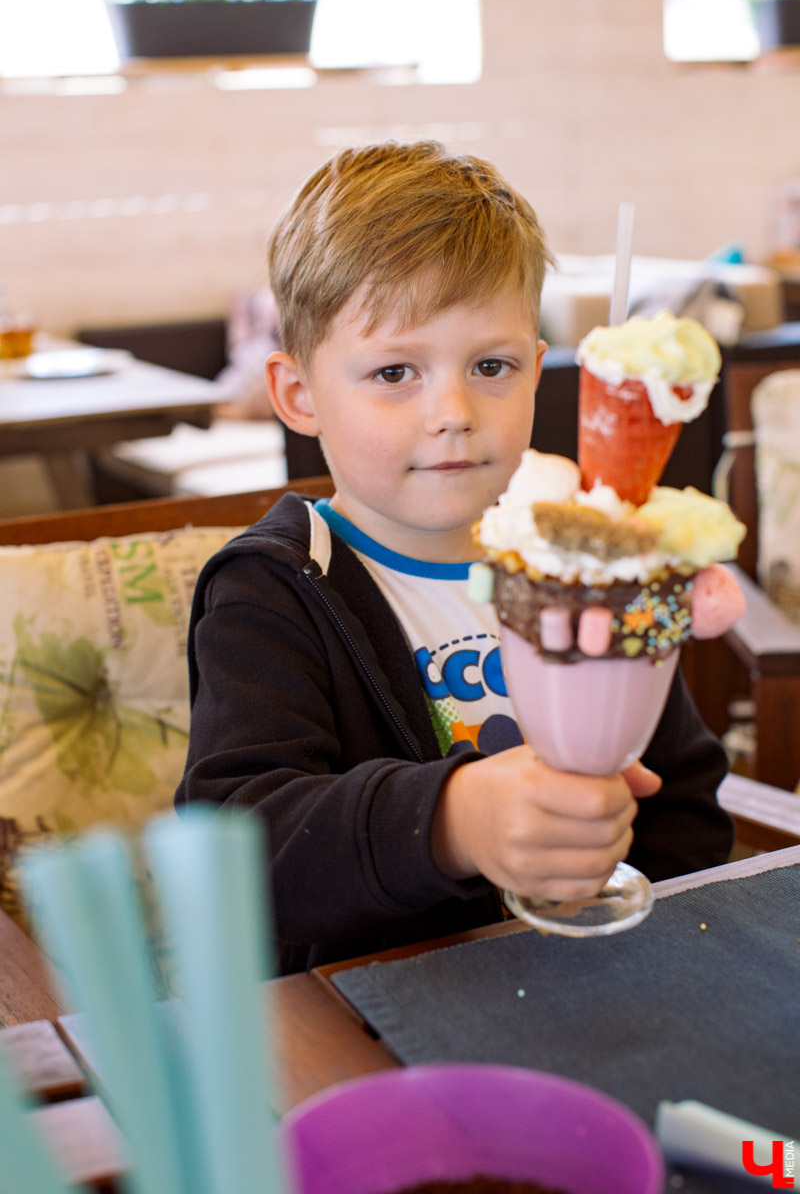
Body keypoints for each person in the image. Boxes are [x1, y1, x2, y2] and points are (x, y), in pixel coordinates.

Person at [175, 140, 732, 974]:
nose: (454, 411)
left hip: (598, 984)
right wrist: (454, 820)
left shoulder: (591, 568)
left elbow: (682, 795)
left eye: (491, 366)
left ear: (537, 371)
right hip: (368, 1011)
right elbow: (237, 851)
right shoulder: (273, 590)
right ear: (299, 395)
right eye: (395, 371)